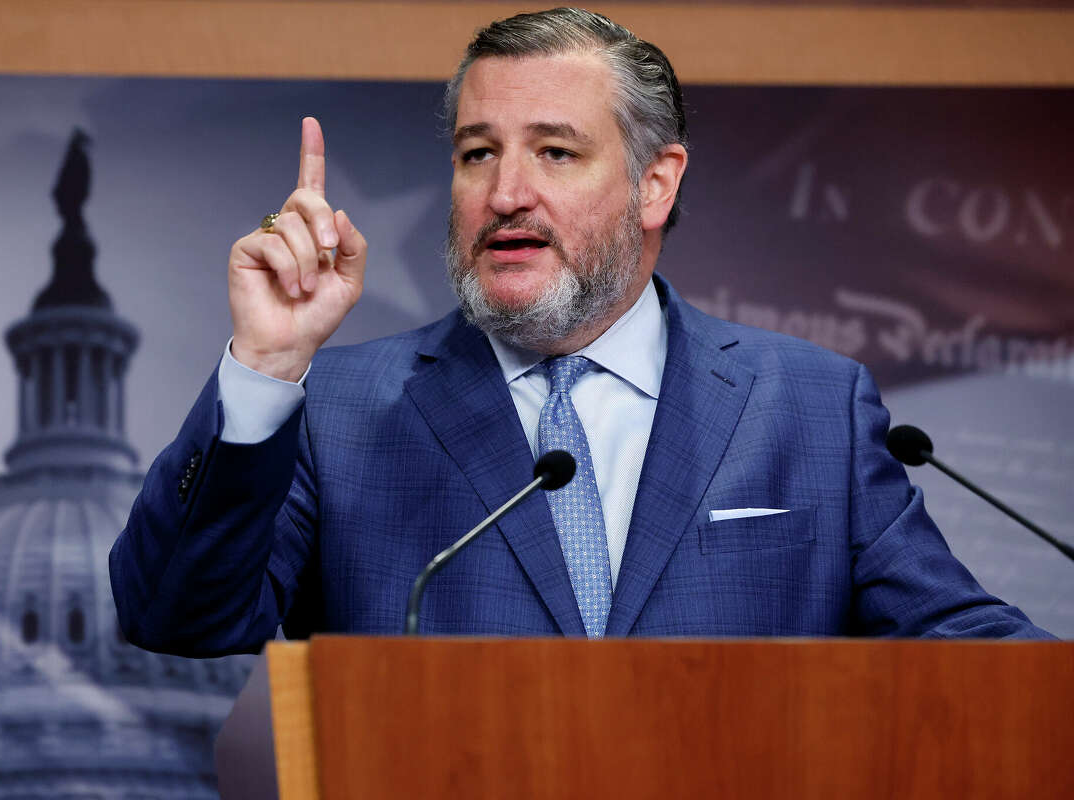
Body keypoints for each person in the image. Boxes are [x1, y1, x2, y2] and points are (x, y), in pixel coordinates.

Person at [109, 8, 1050, 655]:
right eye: (479, 153)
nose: (505, 192)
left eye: (555, 151)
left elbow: (964, 648)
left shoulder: (811, 406)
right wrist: (268, 366)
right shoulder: (341, 411)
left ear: (656, 183)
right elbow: (174, 618)